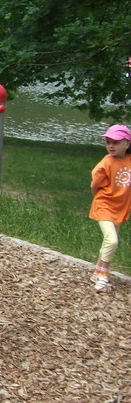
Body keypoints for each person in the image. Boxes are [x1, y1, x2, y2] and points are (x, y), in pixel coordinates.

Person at [88, 124, 131, 293]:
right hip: (104, 205)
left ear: (127, 143)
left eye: (116, 142)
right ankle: (103, 278)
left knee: (110, 241)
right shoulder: (106, 163)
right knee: (112, 240)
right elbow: (94, 186)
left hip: (120, 207)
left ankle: (96, 274)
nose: (111, 146)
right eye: (108, 142)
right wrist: (101, 200)